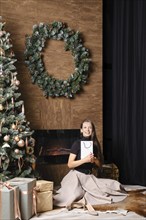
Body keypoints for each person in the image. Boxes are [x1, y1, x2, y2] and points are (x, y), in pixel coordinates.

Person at [53, 119, 127, 210]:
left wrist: (94, 160)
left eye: (89, 128)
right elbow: (70, 164)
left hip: (89, 177)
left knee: (112, 186)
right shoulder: (77, 144)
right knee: (75, 194)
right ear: (81, 130)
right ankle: (80, 198)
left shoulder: (95, 145)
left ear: (92, 130)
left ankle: (86, 196)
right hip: (76, 176)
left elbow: (99, 165)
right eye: (85, 127)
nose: (87, 130)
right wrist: (84, 160)